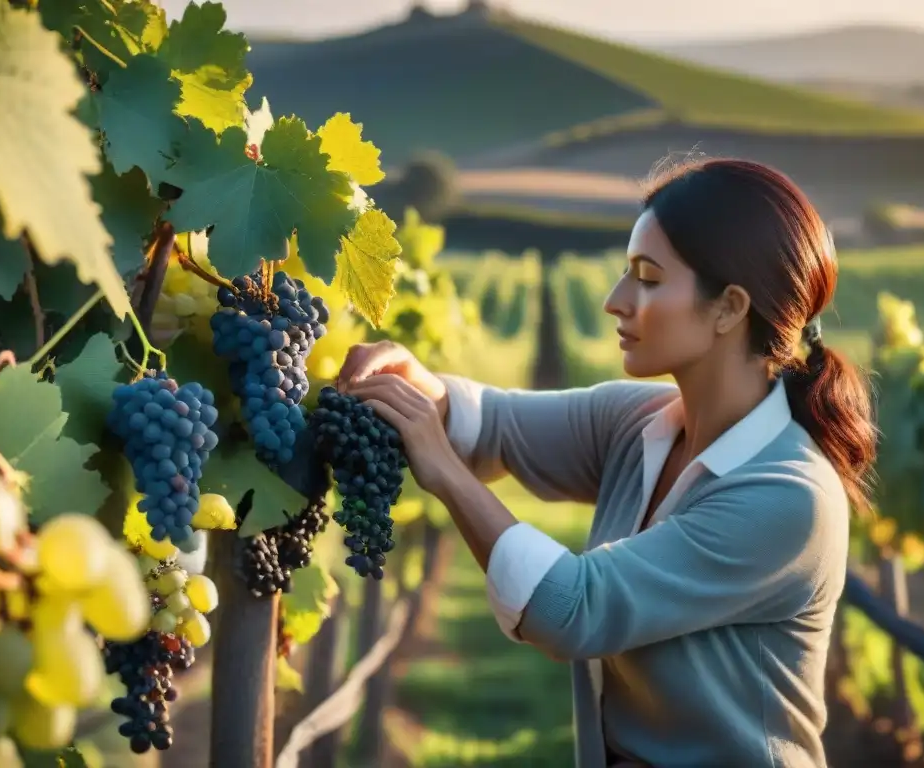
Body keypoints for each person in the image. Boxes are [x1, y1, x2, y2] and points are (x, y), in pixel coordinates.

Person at [335, 158, 877, 768]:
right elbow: (495, 426)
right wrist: (416, 381)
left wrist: (448, 476)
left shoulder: (786, 498)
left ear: (728, 308)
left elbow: (569, 609)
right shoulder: (640, 422)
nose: (615, 300)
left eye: (647, 278)